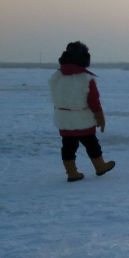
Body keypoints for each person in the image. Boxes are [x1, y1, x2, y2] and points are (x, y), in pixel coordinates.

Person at [48, 41, 116, 181]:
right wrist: (100, 118)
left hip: (64, 118)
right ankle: (100, 166)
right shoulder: (86, 78)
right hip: (82, 118)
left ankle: (71, 173)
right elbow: (94, 101)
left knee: (68, 145)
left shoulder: (57, 76)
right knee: (91, 143)